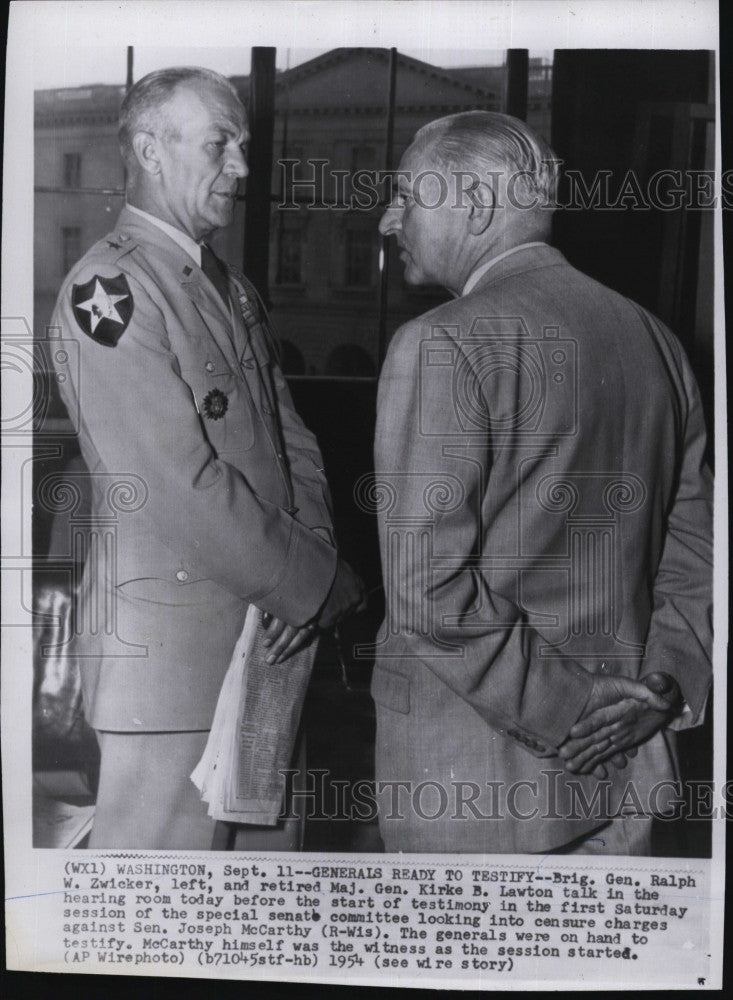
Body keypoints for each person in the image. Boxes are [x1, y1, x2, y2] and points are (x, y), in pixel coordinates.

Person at [372, 111, 712, 854]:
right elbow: (697, 547)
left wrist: (572, 709)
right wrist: (662, 685)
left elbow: (427, 593)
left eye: (406, 194)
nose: (388, 217)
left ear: (476, 206)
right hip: (628, 775)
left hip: (476, 783)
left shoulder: (440, 342)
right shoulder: (653, 338)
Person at [49, 66, 363, 849]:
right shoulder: (111, 290)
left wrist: (314, 558)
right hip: (172, 670)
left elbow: (292, 442)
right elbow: (175, 485)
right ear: (151, 150)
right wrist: (314, 584)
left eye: (244, 146)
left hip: (264, 642)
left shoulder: (227, 286)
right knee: (155, 930)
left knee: (253, 918)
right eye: (221, 145)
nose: (243, 168)